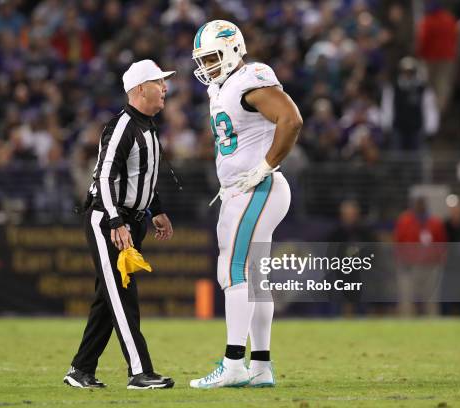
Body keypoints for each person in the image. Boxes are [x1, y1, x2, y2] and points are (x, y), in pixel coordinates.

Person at [189, 20, 303, 388]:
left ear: (233, 50)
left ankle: (234, 362)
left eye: (210, 57)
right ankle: (261, 366)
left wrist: (266, 165)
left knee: (233, 270)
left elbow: (291, 119)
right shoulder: (222, 87)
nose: (205, 67)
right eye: (201, 60)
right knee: (254, 277)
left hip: (257, 187)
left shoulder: (249, 78)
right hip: (245, 188)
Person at [63, 60, 176, 390]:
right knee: (122, 293)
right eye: (159, 82)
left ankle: (80, 369)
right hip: (109, 221)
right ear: (140, 89)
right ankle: (140, 371)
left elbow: (141, 179)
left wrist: (156, 210)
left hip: (131, 221)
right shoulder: (123, 126)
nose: (165, 88)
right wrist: (115, 221)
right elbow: (105, 176)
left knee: (106, 298)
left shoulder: (148, 127)